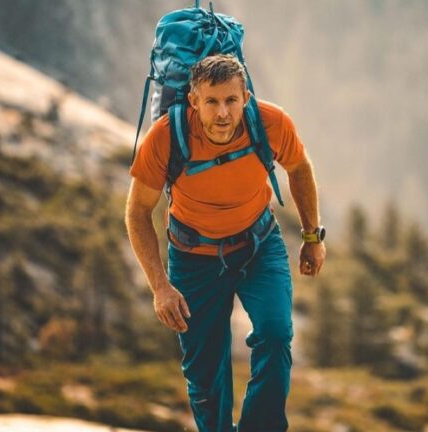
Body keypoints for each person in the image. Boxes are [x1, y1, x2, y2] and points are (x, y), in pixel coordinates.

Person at [125, 54, 326, 432]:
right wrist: (160, 286)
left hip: (258, 245)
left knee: (276, 334)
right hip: (193, 258)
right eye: (212, 101)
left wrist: (312, 236)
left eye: (231, 100)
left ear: (245, 98)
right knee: (205, 376)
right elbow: (137, 212)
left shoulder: (270, 122)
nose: (222, 113)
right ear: (193, 101)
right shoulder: (167, 137)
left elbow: (299, 167)